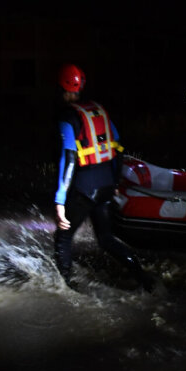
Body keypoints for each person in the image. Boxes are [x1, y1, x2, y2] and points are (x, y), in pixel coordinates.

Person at [52, 63, 157, 292]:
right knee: (106, 239)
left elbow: (68, 159)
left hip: (84, 188)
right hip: (107, 185)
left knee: (64, 237)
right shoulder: (99, 110)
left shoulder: (68, 117)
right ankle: (144, 279)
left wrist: (60, 200)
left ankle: (65, 290)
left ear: (62, 89)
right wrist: (116, 182)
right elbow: (118, 149)